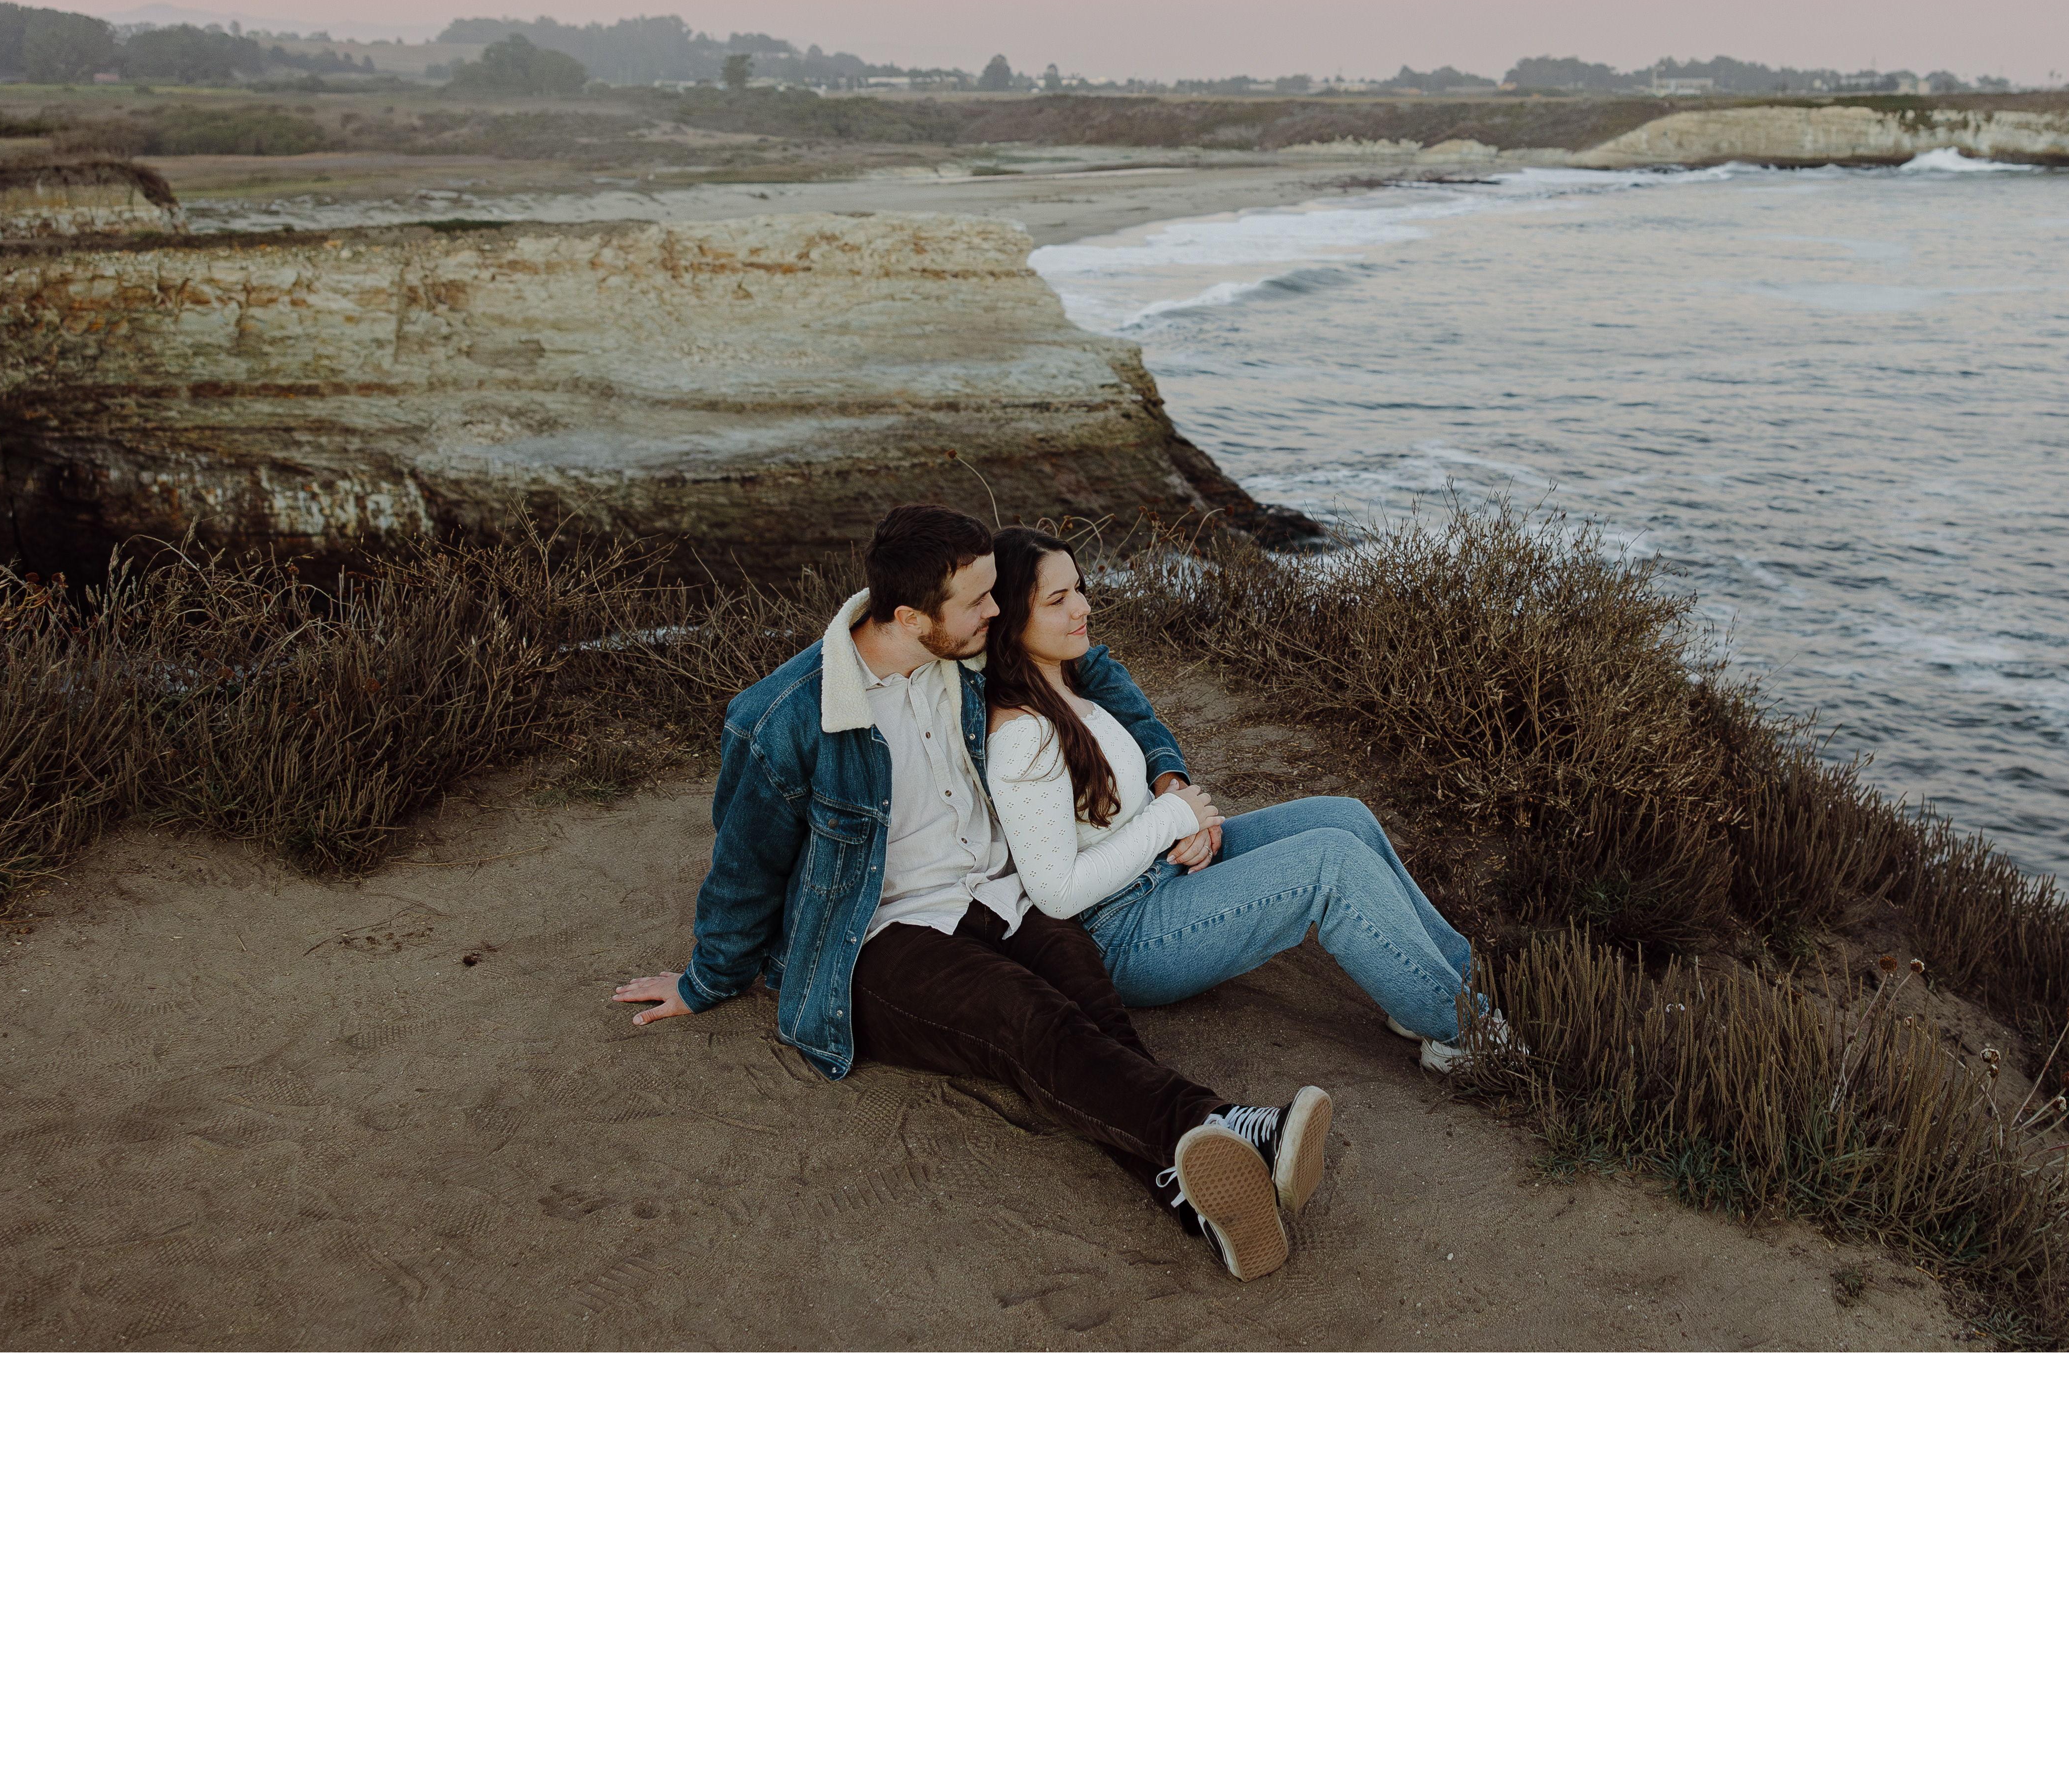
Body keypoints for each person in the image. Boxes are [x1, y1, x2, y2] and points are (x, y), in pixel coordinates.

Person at [611, 503, 1332, 1282]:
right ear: (912, 617)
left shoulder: (968, 652)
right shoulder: (785, 718)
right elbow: (744, 867)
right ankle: (1241, 1129)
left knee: (1095, 1014)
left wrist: (1168, 774)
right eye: (980, 600)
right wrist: (706, 979)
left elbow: (1101, 673)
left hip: (998, 894)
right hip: (881, 936)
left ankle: (1198, 1203)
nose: (998, 611)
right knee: (1031, 1021)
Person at [978, 527, 1514, 1068]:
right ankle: (1467, 1036)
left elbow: (1139, 758)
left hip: (1165, 867)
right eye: (1058, 599)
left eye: (1079, 588)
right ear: (1010, 619)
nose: (1083, 607)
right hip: (1127, 933)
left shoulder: (1070, 680)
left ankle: (1455, 987)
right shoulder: (1023, 736)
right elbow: (1057, 893)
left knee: (1345, 818)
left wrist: (1180, 811)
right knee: (1331, 864)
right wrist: (1172, 818)